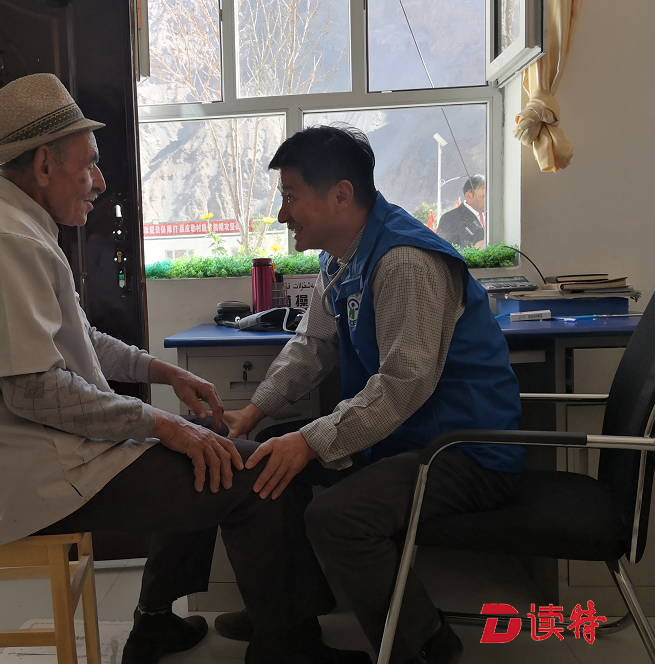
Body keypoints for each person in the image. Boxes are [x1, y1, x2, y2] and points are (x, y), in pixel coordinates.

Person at [0, 74, 368, 664]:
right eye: (89, 164)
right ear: (46, 164)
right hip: (40, 472)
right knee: (254, 480)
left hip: (57, 453)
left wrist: (163, 372)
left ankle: (155, 624)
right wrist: (159, 424)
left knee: (208, 442)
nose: (100, 181)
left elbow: (80, 340)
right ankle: (287, 648)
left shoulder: (13, 226)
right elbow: (33, 392)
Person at [214, 126, 523, 664]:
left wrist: (311, 441)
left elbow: (404, 385)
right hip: (406, 436)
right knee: (263, 459)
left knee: (336, 516)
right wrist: (253, 412)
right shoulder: (341, 258)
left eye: (290, 196)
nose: (283, 214)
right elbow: (312, 346)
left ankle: (425, 642)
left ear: (341, 194)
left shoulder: (404, 261)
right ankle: (285, 619)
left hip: (463, 449)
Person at [436, 175, 486, 249]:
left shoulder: (491, 216)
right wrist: (473, 248)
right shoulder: (450, 218)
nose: (488, 200)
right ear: (468, 195)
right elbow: (444, 249)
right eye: (483, 197)